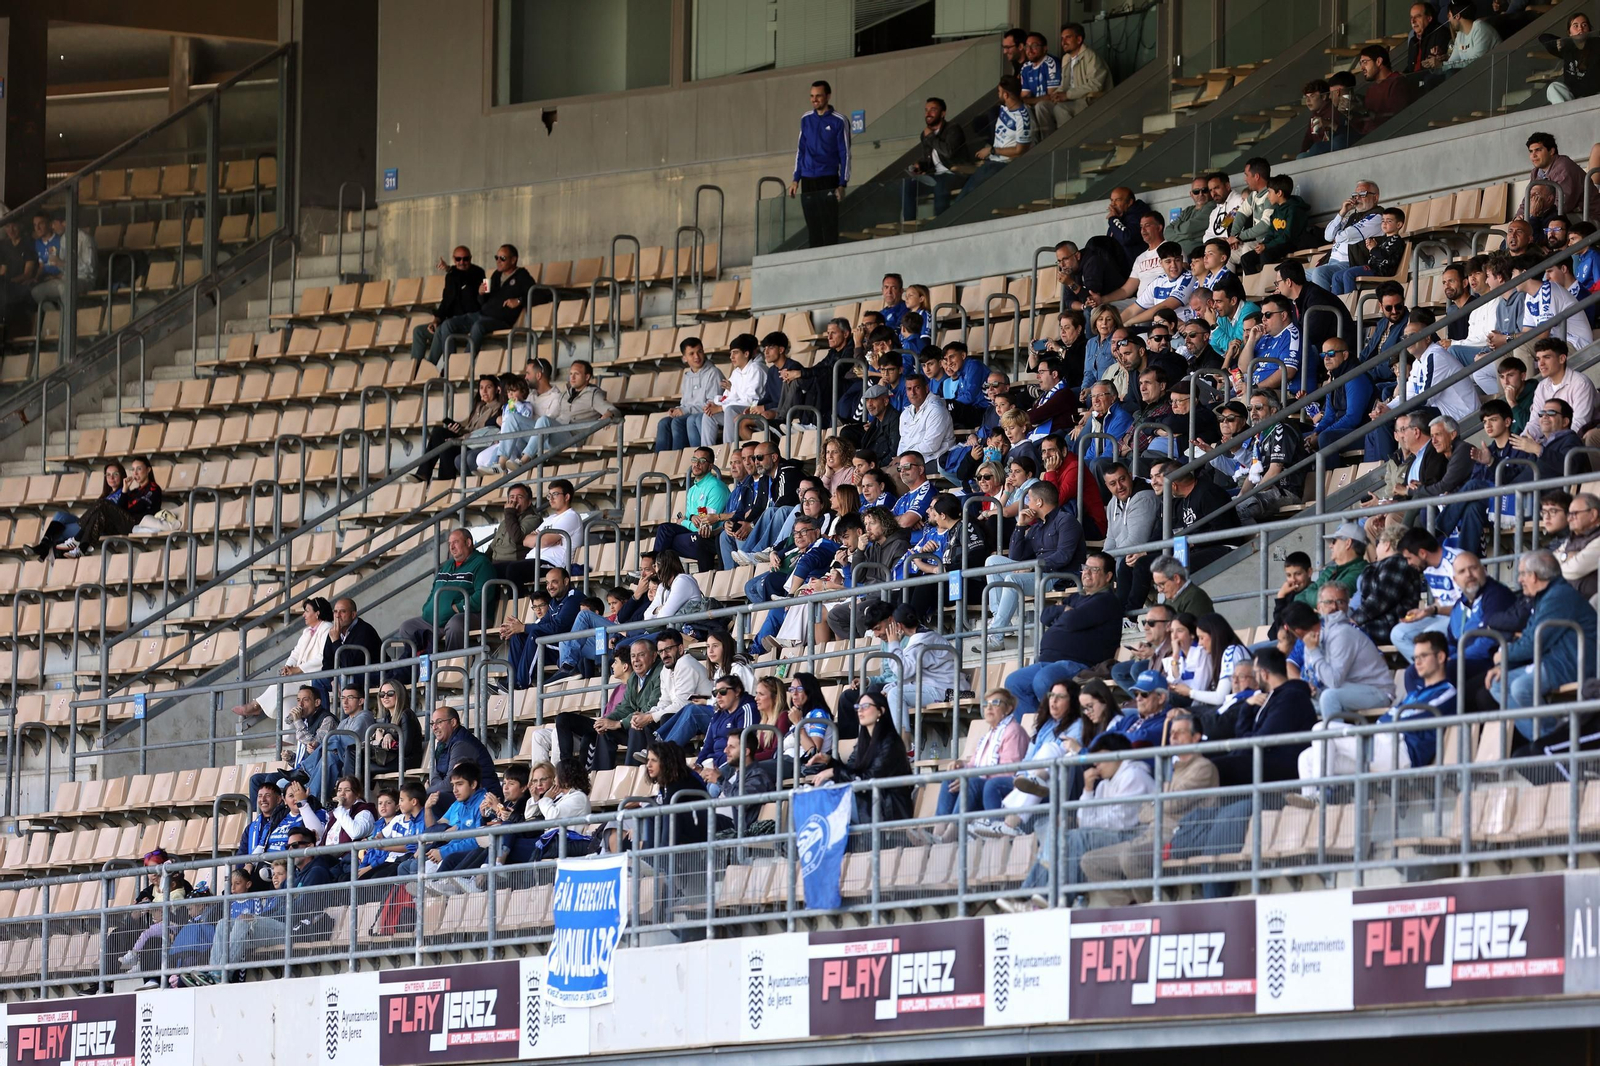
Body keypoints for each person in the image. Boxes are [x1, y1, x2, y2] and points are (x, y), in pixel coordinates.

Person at [1484, 550, 1598, 731]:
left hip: (1574, 664)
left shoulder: (1559, 596)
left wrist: (1503, 655)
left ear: (1534, 576)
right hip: (1554, 662)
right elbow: (1529, 636)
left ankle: (1554, 739)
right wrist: (1504, 664)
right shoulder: (1545, 596)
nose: (1519, 580)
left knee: (1521, 688)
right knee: (1498, 685)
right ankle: (1546, 738)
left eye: (1522, 574)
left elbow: (1533, 644)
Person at [1004, 551, 1120, 719]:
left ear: (1108, 576)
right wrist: (1064, 610)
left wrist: (1063, 616)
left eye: (1094, 569)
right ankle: (1037, 729)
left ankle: (1060, 726)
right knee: (1014, 682)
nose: (1087, 573)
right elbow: (1044, 616)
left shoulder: (1106, 600)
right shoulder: (1076, 598)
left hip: (1080, 665)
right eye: (1085, 567)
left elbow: (1072, 620)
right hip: (1049, 662)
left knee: (1043, 680)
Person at [983, 481, 1083, 645]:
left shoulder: (1066, 521)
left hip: (1059, 577)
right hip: (1038, 574)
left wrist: (1033, 566)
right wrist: (1020, 525)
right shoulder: (1036, 527)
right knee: (992, 561)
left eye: (1029, 500)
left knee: (1012, 579)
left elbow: (1063, 556)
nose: (1027, 504)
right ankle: (1000, 621)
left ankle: (996, 636)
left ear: (1039, 502)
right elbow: (1016, 557)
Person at [806, 688, 914, 826]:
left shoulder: (891, 742)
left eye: (866, 706)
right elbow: (852, 771)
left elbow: (870, 779)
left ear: (881, 711)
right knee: (818, 791)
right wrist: (830, 762)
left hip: (887, 810)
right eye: (858, 707)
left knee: (826, 796)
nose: (860, 711)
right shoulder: (864, 741)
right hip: (867, 802)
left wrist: (835, 771)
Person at [418, 244, 535, 363]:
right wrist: (481, 294)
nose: (498, 261)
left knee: (478, 326)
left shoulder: (522, 276)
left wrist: (519, 301)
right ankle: (451, 364)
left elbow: (540, 294)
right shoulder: (496, 274)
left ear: (513, 259)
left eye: (503, 258)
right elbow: (483, 301)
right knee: (447, 324)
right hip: (482, 314)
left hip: (501, 319)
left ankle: (464, 364)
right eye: (496, 258)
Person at [229, 598, 332, 730]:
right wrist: (288, 667)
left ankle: (256, 705)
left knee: (282, 683)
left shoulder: (327, 628)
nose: (303, 615)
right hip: (302, 676)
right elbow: (295, 653)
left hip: (316, 677)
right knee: (286, 700)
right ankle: (286, 738)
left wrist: (298, 669)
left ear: (317, 613)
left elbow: (322, 658)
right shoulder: (307, 631)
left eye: (307, 611)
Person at [1284, 597, 1395, 718]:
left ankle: (1335, 730)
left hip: (1377, 692)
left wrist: (1314, 651)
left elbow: (1334, 681)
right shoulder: (1310, 642)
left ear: (1298, 631)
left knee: (1329, 696)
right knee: (1291, 702)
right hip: (1346, 690)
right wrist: (1309, 687)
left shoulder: (1340, 634)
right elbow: (1316, 679)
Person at [789, 80, 851, 247]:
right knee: (813, 227)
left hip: (828, 178)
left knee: (829, 226)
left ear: (828, 96)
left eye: (818, 96)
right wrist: (796, 179)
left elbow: (845, 154)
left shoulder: (839, 120)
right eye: (812, 96)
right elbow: (800, 150)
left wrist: (842, 183)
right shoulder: (806, 119)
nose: (814, 100)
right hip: (808, 179)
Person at [421, 705, 501, 823]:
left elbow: (450, 784)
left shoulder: (461, 743)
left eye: (439, 722)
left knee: (431, 799)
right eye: (432, 724)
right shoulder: (442, 744)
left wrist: (427, 791)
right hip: (462, 795)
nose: (434, 727)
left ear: (453, 722)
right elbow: (436, 776)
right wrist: (432, 789)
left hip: (483, 798)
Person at [408, 246, 484, 364]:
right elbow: (446, 302)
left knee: (444, 327)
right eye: (458, 259)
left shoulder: (478, 272)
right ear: (454, 259)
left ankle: (443, 365)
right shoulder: (451, 276)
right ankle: (415, 368)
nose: (462, 262)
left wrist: (449, 268)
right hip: (449, 322)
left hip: (468, 321)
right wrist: (436, 320)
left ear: (470, 258)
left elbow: (467, 278)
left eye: (465, 259)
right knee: (419, 331)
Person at [963, 75, 1033, 196]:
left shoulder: (1023, 118)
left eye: (999, 92)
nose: (998, 94)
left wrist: (992, 150)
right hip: (992, 161)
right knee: (964, 194)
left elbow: (1020, 151)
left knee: (972, 194)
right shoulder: (1004, 107)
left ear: (1006, 95)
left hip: (1005, 165)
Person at [901, 96, 968, 221]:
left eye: (933, 110)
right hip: (936, 176)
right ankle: (909, 223)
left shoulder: (953, 129)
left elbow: (948, 152)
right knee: (909, 183)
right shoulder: (925, 135)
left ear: (943, 114)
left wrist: (931, 137)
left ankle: (940, 221)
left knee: (940, 183)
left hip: (955, 174)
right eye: (926, 110)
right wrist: (920, 166)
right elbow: (929, 161)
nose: (928, 113)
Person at [655, 337, 724, 452]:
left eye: (699, 352)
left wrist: (685, 410)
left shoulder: (713, 373)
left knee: (678, 422)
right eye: (691, 354)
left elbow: (712, 405)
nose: (697, 357)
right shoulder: (687, 376)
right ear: (684, 358)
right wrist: (677, 409)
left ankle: (682, 458)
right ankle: (661, 459)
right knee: (664, 423)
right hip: (690, 413)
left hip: (706, 415)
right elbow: (685, 403)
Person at [1542, 12, 1600, 105]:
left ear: (1589, 29)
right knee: (1553, 87)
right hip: (1573, 99)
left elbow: (1593, 82)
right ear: (1569, 32)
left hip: (1593, 96)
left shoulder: (1597, 46)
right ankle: (1569, 111)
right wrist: (1560, 42)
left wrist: (1574, 94)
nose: (1580, 28)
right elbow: (1543, 38)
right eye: (1575, 26)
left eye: (1584, 25)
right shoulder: (1568, 49)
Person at [1436, 0, 1500, 71]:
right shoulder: (1460, 35)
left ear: (1457, 16)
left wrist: (1443, 65)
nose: (1449, 20)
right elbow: (1451, 63)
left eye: (1449, 16)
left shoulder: (1480, 28)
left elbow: (1476, 63)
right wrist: (1437, 63)